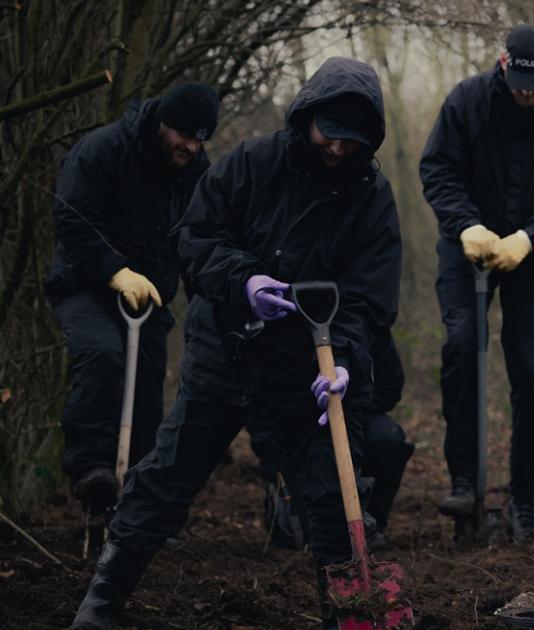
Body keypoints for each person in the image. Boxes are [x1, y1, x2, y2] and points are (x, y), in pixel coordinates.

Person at [68, 57, 402, 630]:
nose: (336, 149)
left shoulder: (371, 198)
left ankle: (350, 615)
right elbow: (196, 238)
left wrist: (343, 363)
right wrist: (245, 283)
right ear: (306, 117)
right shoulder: (251, 164)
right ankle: (102, 599)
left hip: (307, 368)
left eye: (351, 141)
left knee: (333, 494)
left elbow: (369, 299)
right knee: (166, 476)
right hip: (227, 350)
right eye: (329, 134)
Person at [420, 23, 534, 541]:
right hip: (467, 246)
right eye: (518, 84)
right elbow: (438, 168)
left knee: (531, 370)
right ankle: (464, 482)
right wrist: (465, 224)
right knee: (462, 348)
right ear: (503, 65)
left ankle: (525, 498)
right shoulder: (467, 101)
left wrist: (532, 236)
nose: (526, 94)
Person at [46, 82, 218, 515]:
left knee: (146, 391)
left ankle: (138, 507)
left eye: (199, 140)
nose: (190, 147)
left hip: (149, 299)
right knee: (102, 354)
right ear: (164, 123)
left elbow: (197, 239)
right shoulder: (105, 149)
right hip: (84, 284)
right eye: (184, 135)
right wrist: (114, 271)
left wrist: (210, 296)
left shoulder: (195, 174)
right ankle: (91, 470)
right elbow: (72, 217)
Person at [255, 334, 415, 551]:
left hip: (357, 417)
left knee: (388, 438)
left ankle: (370, 526)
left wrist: (349, 410)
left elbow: (391, 386)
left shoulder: (364, 325)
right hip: (298, 430)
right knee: (307, 535)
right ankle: (288, 501)